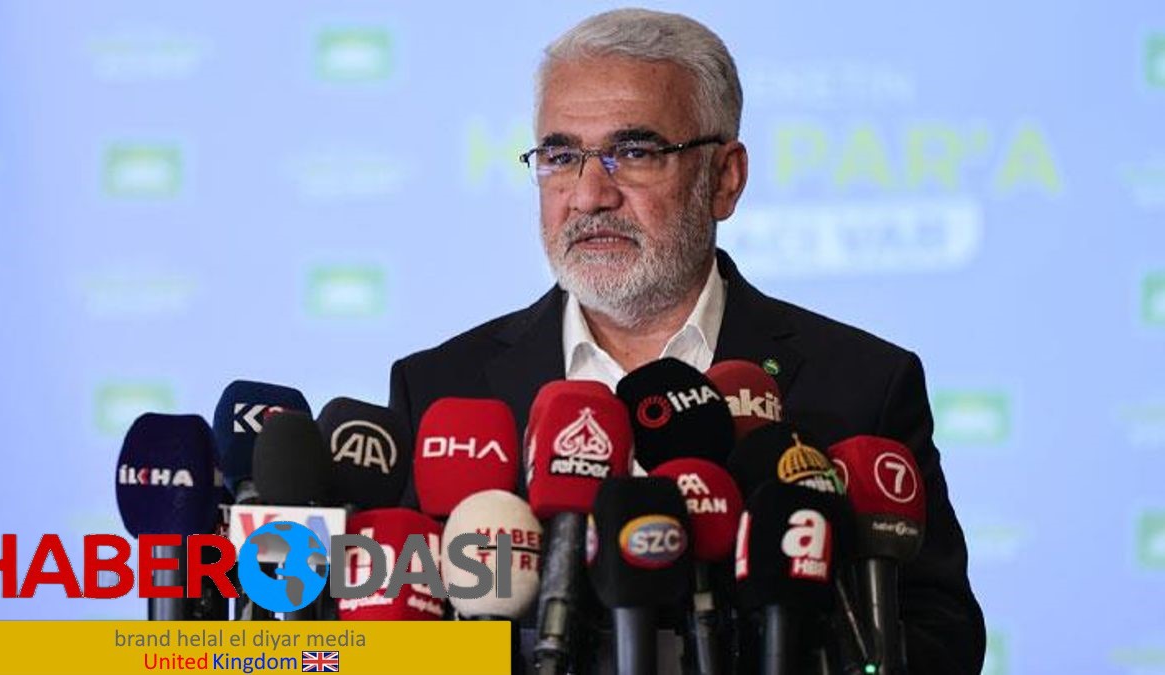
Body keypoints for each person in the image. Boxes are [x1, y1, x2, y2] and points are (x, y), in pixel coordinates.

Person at [389, 8, 985, 673]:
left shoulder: (861, 386)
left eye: (634, 153)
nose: (588, 195)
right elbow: (367, 649)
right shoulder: (440, 389)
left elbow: (943, 642)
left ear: (725, 178)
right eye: (560, 156)